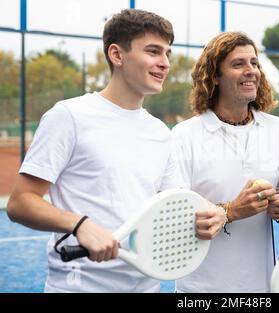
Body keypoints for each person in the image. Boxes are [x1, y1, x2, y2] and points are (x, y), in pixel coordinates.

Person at [6, 9, 204, 293]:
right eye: (153, 51)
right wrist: (79, 225)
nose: (164, 63)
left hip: (147, 287)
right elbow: (20, 202)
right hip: (79, 287)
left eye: (167, 54)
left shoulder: (160, 131)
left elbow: (169, 208)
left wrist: (206, 216)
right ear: (117, 54)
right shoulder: (69, 116)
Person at [171, 31, 279, 292]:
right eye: (238, 64)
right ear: (214, 76)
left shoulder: (278, 129)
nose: (252, 71)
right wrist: (231, 211)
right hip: (201, 289)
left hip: (262, 288)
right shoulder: (184, 135)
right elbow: (175, 215)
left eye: (254, 63)